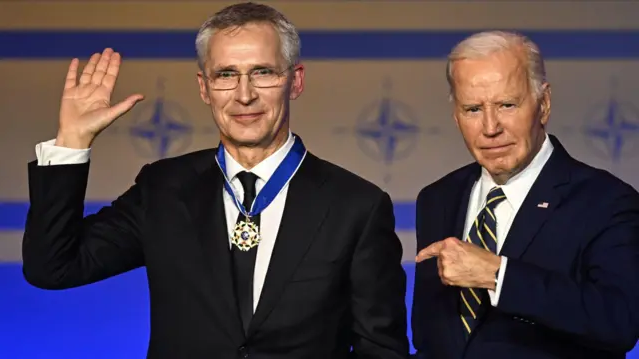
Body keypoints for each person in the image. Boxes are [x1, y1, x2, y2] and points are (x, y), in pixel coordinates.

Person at [21, 2, 409, 358]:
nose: (244, 95)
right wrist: (72, 142)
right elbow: (52, 267)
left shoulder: (357, 205)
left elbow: (382, 350)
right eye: (226, 75)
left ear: (295, 81)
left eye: (263, 73)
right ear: (204, 88)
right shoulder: (164, 189)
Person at [411, 30, 639, 359]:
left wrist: (498, 275)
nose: (490, 127)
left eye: (507, 105)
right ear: (455, 116)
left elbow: (619, 321)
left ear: (543, 105)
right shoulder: (437, 198)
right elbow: (435, 339)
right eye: (473, 109)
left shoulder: (607, 202)